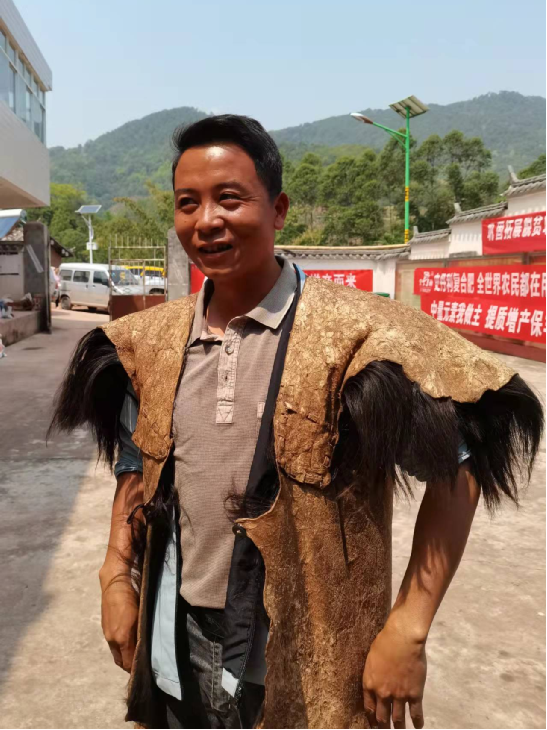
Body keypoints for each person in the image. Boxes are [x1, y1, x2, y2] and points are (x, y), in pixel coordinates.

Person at [50, 115, 543, 730]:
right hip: (177, 647)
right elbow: (137, 464)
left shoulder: (360, 338)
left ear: (278, 210)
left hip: (308, 664)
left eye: (230, 198)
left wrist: (409, 627)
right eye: (187, 203)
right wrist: (115, 575)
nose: (207, 220)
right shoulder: (150, 343)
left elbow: (458, 471)